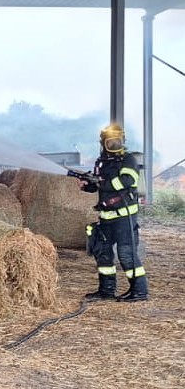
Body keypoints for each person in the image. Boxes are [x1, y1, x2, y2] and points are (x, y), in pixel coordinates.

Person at [79, 123, 148, 302]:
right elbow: (97, 186)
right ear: (103, 143)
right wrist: (88, 184)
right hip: (106, 216)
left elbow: (127, 181)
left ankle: (139, 291)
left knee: (126, 253)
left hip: (124, 216)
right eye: (110, 142)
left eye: (117, 141)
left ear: (123, 141)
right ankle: (106, 290)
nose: (115, 145)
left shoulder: (128, 160)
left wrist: (101, 183)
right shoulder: (101, 162)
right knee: (103, 253)